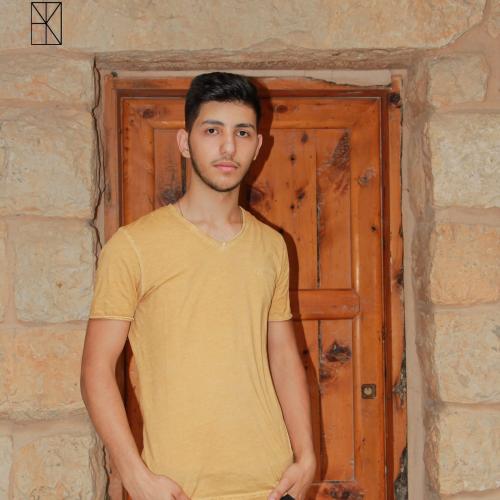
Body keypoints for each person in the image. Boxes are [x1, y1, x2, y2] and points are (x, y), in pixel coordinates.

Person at [80, 71, 316, 500]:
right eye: (212, 130)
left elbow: (283, 355)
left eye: (242, 132)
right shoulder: (134, 246)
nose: (228, 147)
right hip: (177, 488)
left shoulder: (271, 247)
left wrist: (307, 456)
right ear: (185, 142)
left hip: (271, 483)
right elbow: (96, 369)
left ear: (258, 146)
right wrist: (134, 474)